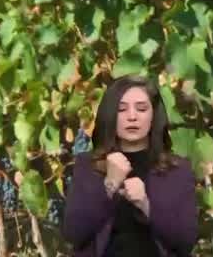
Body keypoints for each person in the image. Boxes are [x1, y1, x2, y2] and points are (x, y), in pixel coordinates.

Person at [63, 75, 199, 257]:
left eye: (141, 109)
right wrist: (109, 186)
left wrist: (146, 205)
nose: (132, 117)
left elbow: (185, 241)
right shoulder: (88, 166)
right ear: (111, 115)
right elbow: (74, 234)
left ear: (154, 115)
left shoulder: (177, 170)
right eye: (122, 109)